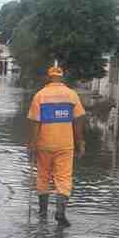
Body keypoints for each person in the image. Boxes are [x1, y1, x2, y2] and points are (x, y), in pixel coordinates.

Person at [27, 64, 86, 226]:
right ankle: (60, 212)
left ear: (49, 77)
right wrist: (80, 142)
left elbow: (35, 123)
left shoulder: (40, 95)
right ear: (62, 77)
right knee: (64, 177)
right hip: (65, 144)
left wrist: (32, 144)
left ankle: (43, 212)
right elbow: (78, 121)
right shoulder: (71, 95)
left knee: (43, 176)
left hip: (44, 143)